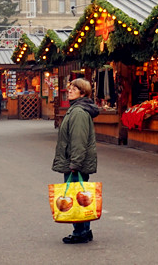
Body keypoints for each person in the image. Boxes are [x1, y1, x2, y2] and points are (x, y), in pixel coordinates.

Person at [52, 78, 99, 244]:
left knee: (76, 196)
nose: (70, 91)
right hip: (74, 161)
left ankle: (80, 232)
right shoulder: (75, 109)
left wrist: (75, 164)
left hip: (75, 163)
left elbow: (79, 141)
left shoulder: (78, 112)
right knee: (80, 195)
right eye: (70, 88)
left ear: (83, 93)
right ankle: (84, 230)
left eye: (74, 88)